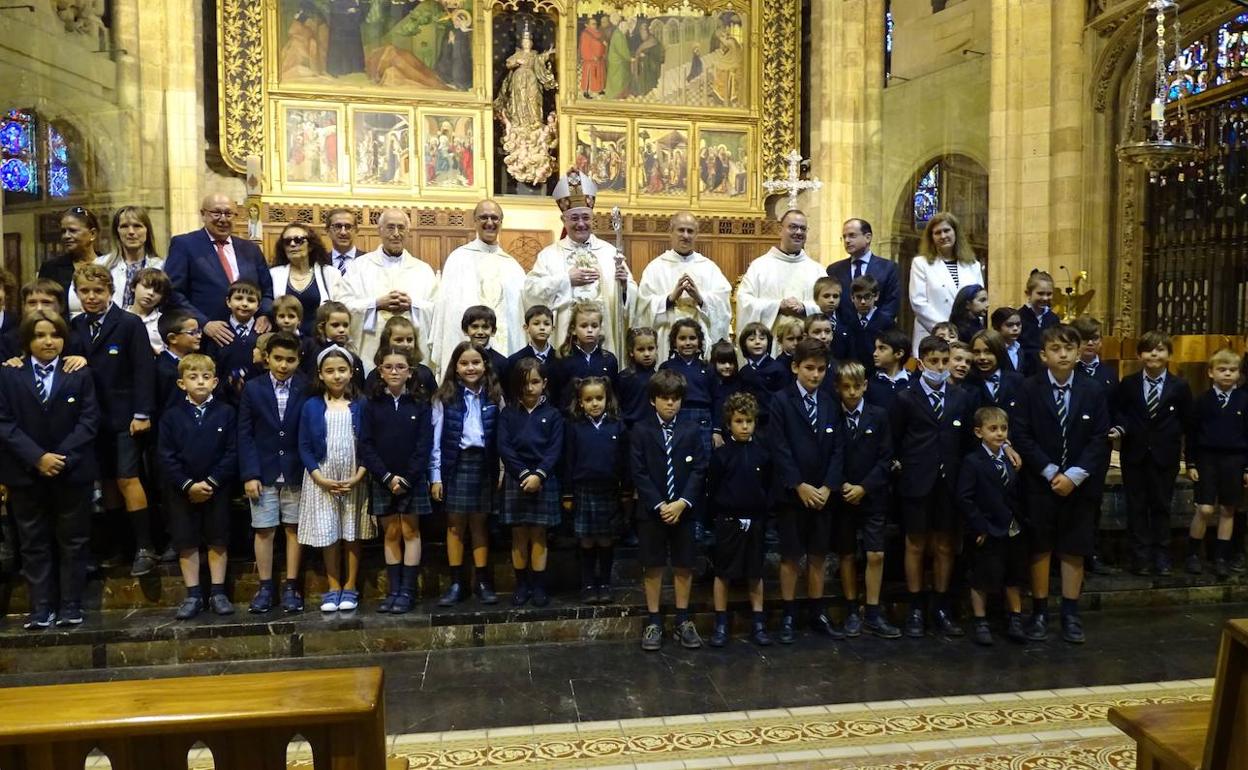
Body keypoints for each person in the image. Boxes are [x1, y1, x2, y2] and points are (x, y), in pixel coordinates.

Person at [1011, 324, 1110, 645]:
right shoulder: (1029, 388)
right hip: (1041, 482)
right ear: (1043, 355)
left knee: (1074, 547)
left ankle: (1070, 612)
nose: (1063, 354)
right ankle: (1040, 611)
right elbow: (1022, 435)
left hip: (1079, 484)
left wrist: (1074, 475)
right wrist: (1051, 471)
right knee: (1040, 546)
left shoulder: (1092, 389)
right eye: (1056, 349)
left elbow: (1100, 437)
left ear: (1079, 353)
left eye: (1069, 348)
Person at [0, 311, 98, 629]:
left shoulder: (79, 373)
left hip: (71, 470)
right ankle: (41, 607)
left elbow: (89, 420)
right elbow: (4, 422)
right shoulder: (9, 374)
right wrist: (37, 457)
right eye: (40, 335)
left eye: (55, 335)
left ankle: (70, 605)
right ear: (27, 340)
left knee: (73, 540)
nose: (48, 341)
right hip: (26, 472)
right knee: (33, 541)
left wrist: (60, 456)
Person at [70, 264, 157, 577]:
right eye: (84, 291)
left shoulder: (129, 323)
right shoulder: (76, 325)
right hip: (91, 418)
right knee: (106, 481)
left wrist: (142, 413)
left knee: (126, 477)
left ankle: (145, 546)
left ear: (110, 291)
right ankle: (118, 545)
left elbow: (143, 369)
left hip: (124, 416)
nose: (91, 297)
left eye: (98, 291)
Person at [892, 335, 973, 640]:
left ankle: (941, 606)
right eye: (934, 361)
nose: (940, 367)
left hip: (948, 482)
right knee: (915, 544)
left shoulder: (960, 397)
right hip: (916, 480)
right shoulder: (905, 397)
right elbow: (896, 439)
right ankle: (915, 607)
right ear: (921, 362)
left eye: (944, 361)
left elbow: (967, 441)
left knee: (944, 545)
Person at [768, 338, 846, 644]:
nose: (815, 375)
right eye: (809, 368)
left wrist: (828, 486)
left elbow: (838, 448)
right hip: (793, 493)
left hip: (823, 494)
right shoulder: (781, 401)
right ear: (795, 367)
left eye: (821, 369)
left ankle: (817, 612)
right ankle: (788, 614)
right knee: (791, 556)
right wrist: (798, 485)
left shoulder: (830, 402)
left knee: (818, 555)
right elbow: (779, 447)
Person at [159, 354, 238, 620]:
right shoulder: (171, 416)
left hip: (217, 487)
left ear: (215, 382)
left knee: (218, 538)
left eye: (206, 377)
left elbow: (232, 452)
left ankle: (218, 592)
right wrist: (188, 485)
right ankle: (193, 594)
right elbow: (166, 456)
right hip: (183, 490)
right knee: (187, 540)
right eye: (193, 377)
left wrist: (211, 482)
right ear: (182, 384)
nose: (200, 382)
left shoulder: (226, 413)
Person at [524, 169, 635, 356]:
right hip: (564, 341)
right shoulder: (549, 255)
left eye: (586, 217)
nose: (581, 224)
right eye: (574, 218)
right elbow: (531, 291)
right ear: (563, 220)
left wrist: (624, 287)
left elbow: (633, 298)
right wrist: (566, 280)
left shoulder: (610, 253)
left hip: (604, 343)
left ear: (593, 218)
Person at [634, 369, 707, 651]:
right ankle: (653, 620)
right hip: (652, 511)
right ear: (653, 400)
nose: (670, 403)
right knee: (653, 565)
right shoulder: (641, 430)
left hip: (683, 510)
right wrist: (660, 504)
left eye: (675, 398)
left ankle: (682, 620)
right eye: (664, 398)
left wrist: (682, 502)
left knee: (683, 564)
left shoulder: (691, 429)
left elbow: (699, 468)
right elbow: (638, 471)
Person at [297, 345, 372, 613]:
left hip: (353, 476)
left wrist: (358, 475)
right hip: (323, 477)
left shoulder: (361, 404)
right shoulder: (311, 405)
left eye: (342, 370)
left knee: (351, 532)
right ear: (320, 374)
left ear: (351, 372)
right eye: (330, 371)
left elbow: (368, 443)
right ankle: (333, 586)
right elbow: (304, 445)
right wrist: (320, 478)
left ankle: (350, 585)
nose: (337, 376)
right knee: (329, 533)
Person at [238, 332, 309, 615]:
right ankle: (265, 587)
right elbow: (245, 434)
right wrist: (250, 473)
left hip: (296, 471)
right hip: (263, 471)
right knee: (264, 529)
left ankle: (292, 586)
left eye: (290, 360)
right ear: (267, 358)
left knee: (293, 528)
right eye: (278, 358)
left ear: (298, 360)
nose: (283, 365)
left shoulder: (306, 386)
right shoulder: (253, 388)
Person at [1111, 331, 1191, 577]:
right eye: (1148, 350)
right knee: (1136, 506)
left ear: (1169, 355)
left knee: (1161, 505)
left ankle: (1162, 555)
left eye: (1160, 349)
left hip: (1165, 456)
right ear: (1139, 355)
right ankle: (1140, 557)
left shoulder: (1179, 386)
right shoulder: (1129, 383)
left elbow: (1187, 420)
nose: (1154, 354)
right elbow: (1120, 412)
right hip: (1134, 454)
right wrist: (1121, 428)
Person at [359, 346, 433, 615]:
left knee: (411, 532)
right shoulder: (371, 404)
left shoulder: (420, 404)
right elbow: (366, 445)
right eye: (388, 367)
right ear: (380, 371)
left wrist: (408, 479)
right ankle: (393, 590)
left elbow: (424, 445)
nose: (394, 372)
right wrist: (387, 477)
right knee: (391, 533)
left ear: (410, 372)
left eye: (400, 367)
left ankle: (408, 591)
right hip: (383, 479)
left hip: (411, 480)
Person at [430, 341, 504, 606]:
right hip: (456, 463)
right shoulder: (444, 397)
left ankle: (482, 582)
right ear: (455, 367)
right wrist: (436, 477)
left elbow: (502, 437)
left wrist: (501, 470)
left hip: (484, 464)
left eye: (475, 362)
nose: (470, 368)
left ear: (485, 365)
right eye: (464, 363)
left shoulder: (495, 396)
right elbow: (436, 441)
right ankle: (456, 583)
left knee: (479, 523)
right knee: (455, 524)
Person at [834, 361, 900, 640]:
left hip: (872, 494)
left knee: (876, 554)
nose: (852, 392)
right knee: (847, 553)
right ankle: (851, 609)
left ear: (865, 386)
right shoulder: (832, 415)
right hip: (842, 495)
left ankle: (872, 611)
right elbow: (829, 455)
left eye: (857, 386)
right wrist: (842, 484)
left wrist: (864, 487)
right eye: (846, 387)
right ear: (838, 388)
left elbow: (886, 457)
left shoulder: (879, 415)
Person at [957, 406, 1029, 646]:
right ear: (979, 432)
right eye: (993, 429)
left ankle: (1015, 618)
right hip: (987, 528)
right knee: (982, 576)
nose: (999, 433)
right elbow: (965, 497)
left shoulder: (1010, 460)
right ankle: (980, 620)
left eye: (1003, 429)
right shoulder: (972, 461)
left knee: (1013, 575)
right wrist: (980, 526)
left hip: (1012, 527)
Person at [165, 193, 274, 347]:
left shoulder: (251, 249)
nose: (223, 219)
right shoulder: (185, 244)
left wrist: (265, 314)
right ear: (203, 214)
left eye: (228, 214)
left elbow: (267, 290)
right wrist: (204, 323)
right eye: (216, 213)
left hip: (250, 338)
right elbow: (173, 292)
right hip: (206, 339)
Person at [430, 201, 527, 374]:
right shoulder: (458, 259)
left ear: (501, 222)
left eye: (494, 218)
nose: (489, 222)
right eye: (483, 217)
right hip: (466, 357)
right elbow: (448, 312)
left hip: (503, 357)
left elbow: (518, 314)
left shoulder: (513, 266)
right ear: (474, 221)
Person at [498, 358, 564, 607]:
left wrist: (539, 475)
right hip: (517, 478)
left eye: (535, 382)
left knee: (538, 534)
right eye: (524, 383)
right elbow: (504, 447)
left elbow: (555, 449)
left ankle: (538, 586)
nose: (529, 388)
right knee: (519, 533)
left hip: (543, 479)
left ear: (544, 383)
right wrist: (524, 474)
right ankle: (521, 584)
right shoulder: (508, 413)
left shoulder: (553, 414)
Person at [338, 208, 438, 371]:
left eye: (401, 228)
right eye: (391, 227)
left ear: (408, 232)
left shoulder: (423, 270)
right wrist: (375, 304)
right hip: (370, 350)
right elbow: (342, 307)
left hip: (411, 353)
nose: (396, 233)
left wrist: (412, 304)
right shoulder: (359, 267)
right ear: (380, 230)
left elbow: (437, 310)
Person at [708, 392, 772, 647]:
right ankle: (721, 623)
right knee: (723, 572)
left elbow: (767, 485)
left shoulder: (763, 454)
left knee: (755, 572)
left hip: (755, 520)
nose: (744, 426)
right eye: (739, 421)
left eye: (749, 421)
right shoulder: (721, 455)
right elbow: (713, 488)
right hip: (728, 520)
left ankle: (758, 623)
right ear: (729, 423)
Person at [633, 211, 732, 361]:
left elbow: (723, 303)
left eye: (690, 231)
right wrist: (669, 299)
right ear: (671, 232)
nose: (685, 235)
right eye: (681, 230)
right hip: (666, 336)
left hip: (699, 336)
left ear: (696, 235)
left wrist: (700, 298)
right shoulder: (655, 268)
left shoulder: (708, 267)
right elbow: (643, 305)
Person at [1185, 348, 1248, 578]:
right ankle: (1193, 554)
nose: (1227, 374)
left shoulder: (1244, 400)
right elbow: (1192, 434)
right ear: (1211, 372)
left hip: (1235, 460)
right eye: (1222, 369)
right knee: (1205, 508)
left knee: (1228, 508)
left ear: (1239, 373)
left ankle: (1221, 557)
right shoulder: (1202, 401)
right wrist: (1191, 463)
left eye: (1232, 370)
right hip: (1207, 459)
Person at [565, 376, 626, 604]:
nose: (594, 403)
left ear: (607, 399)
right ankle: (588, 584)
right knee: (587, 539)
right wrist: (567, 493)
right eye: (589, 399)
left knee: (606, 539)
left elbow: (624, 460)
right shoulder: (574, 427)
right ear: (581, 402)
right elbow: (568, 460)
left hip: (609, 489)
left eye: (599, 398)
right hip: (583, 488)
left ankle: (605, 583)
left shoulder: (617, 425)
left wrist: (626, 490)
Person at [908, 212, 983, 355]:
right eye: (937, 233)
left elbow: (979, 301)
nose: (943, 236)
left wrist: (966, 329)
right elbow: (918, 302)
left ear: (955, 232)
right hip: (933, 333)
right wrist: (946, 330)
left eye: (947, 230)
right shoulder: (921, 263)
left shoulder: (973, 265)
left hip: (966, 335)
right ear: (931, 237)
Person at [736, 210, 823, 331]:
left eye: (803, 229)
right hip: (770, 340)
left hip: (806, 340)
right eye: (793, 227)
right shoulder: (759, 267)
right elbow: (744, 302)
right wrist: (777, 306)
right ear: (779, 229)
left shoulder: (817, 270)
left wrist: (804, 308)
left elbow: (828, 306)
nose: (798, 232)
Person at [270, 223, 343, 338]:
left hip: (320, 341)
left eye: (298, 240)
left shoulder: (331, 274)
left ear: (310, 246)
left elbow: (340, 312)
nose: (292, 244)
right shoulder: (273, 274)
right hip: (286, 343)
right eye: (287, 242)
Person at [826, 218, 901, 325]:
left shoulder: (888, 268)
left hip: (879, 331)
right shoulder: (834, 270)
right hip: (843, 332)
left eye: (852, 235)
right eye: (844, 237)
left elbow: (891, 304)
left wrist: (871, 327)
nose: (847, 240)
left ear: (868, 237)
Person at [203, 279, 265, 404]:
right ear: (228, 302)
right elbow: (210, 367)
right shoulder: (218, 332)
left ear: (258, 305)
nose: (244, 304)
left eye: (251, 300)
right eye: (239, 298)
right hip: (222, 398)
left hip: (258, 398)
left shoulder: (263, 332)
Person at [659, 319, 713, 461]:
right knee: (678, 458)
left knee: (703, 459)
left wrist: (717, 430)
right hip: (676, 416)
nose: (688, 343)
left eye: (692, 338)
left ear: (699, 341)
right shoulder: (666, 367)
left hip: (703, 418)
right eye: (682, 338)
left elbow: (717, 398)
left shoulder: (707, 368)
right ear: (674, 342)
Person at [554, 301, 619, 410]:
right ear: (573, 329)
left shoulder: (609, 359)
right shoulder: (563, 359)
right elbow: (556, 396)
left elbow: (614, 395)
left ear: (600, 328)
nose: (589, 330)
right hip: (571, 417)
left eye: (594, 326)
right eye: (584, 326)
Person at [40, 206, 103, 318]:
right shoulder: (51, 268)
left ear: (92, 234)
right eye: (63, 231)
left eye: (73, 231)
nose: (66, 236)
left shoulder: (109, 264)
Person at [98, 205, 165, 309]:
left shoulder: (162, 267)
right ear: (117, 232)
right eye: (124, 226)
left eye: (137, 226)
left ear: (147, 230)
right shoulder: (101, 265)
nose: (131, 232)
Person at [736, 322, 783, 429]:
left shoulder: (777, 368)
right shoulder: (743, 372)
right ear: (744, 344)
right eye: (751, 339)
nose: (757, 342)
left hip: (772, 422)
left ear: (769, 342)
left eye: (762, 338)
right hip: (748, 423)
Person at [845, 275, 894, 374]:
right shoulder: (847, 321)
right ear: (852, 297)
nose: (863, 302)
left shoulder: (886, 322)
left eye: (867, 297)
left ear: (876, 296)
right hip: (853, 374)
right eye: (858, 297)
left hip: (879, 373)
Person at [965, 330, 1024, 412]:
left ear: (999, 352)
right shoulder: (967, 383)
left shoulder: (1017, 381)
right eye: (977, 352)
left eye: (988, 352)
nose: (982, 357)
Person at [617, 325, 658, 429]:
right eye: (641, 349)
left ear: (656, 348)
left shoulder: (659, 377)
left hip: (652, 430)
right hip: (629, 429)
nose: (647, 354)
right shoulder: (624, 377)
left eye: (651, 348)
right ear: (631, 351)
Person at [1018, 271, 1058, 372]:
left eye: (1049, 294)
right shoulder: (1019, 317)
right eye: (1040, 293)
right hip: (1024, 370)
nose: (1045, 298)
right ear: (1028, 293)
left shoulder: (1053, 318)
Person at [506, 304, 556, 387]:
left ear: (552, 329)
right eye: (536, 324)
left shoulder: (562, 359)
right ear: (526, 328)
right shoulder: (514, 360)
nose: (542, 328)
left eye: (546, 324)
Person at [461, 305, 510, 385]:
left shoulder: (502, 362)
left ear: (493, 331)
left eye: (485, 327)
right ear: (465, 330)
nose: (480, 332)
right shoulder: (459, 358)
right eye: (475, 327)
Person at [864, 327, 911, 411]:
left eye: (882, 349)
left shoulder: (913, 383)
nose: (875, 354)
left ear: (899, 354)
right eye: (875, 348)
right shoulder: (871, 382)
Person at [127, 267, 171, 354]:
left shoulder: (165, 322)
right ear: (133, 287)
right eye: (146, 287)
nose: (151, 293)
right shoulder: (117, 317)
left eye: (157, 291)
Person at [324, 208, 363, 276]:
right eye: (337, 226)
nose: (343, 232)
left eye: (348, 227)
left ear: (356, 231)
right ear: (327, 231)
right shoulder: (320, 263)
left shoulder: (369, 261)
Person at [991, 307, 1027, 375]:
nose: (1015, 328)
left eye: (1018, 324)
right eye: (1009, 325)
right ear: (997, 327)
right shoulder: (993, 350)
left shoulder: (1020, 349)